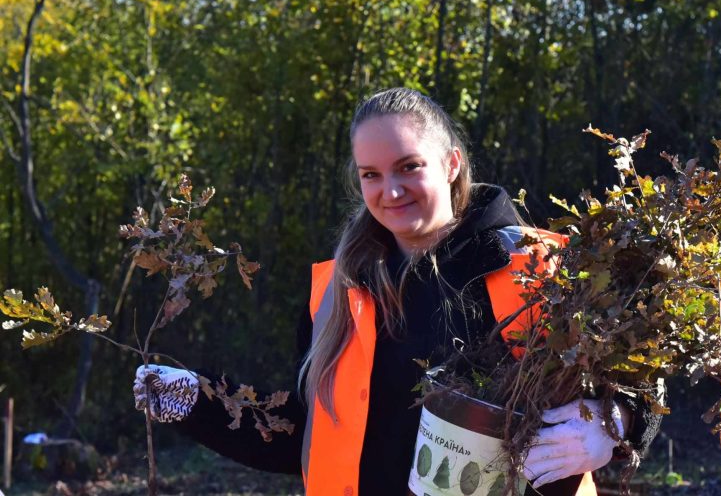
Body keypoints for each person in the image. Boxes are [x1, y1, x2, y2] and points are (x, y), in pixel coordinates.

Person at [134, 88, 661, 495]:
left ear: (452, 162)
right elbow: (307, 437)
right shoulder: (335, 294)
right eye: (371, 174)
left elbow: (647, 389)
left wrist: (614, 426)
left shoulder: (543, 267)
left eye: (409, 166)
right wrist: (197, 403)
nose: (390, 190)